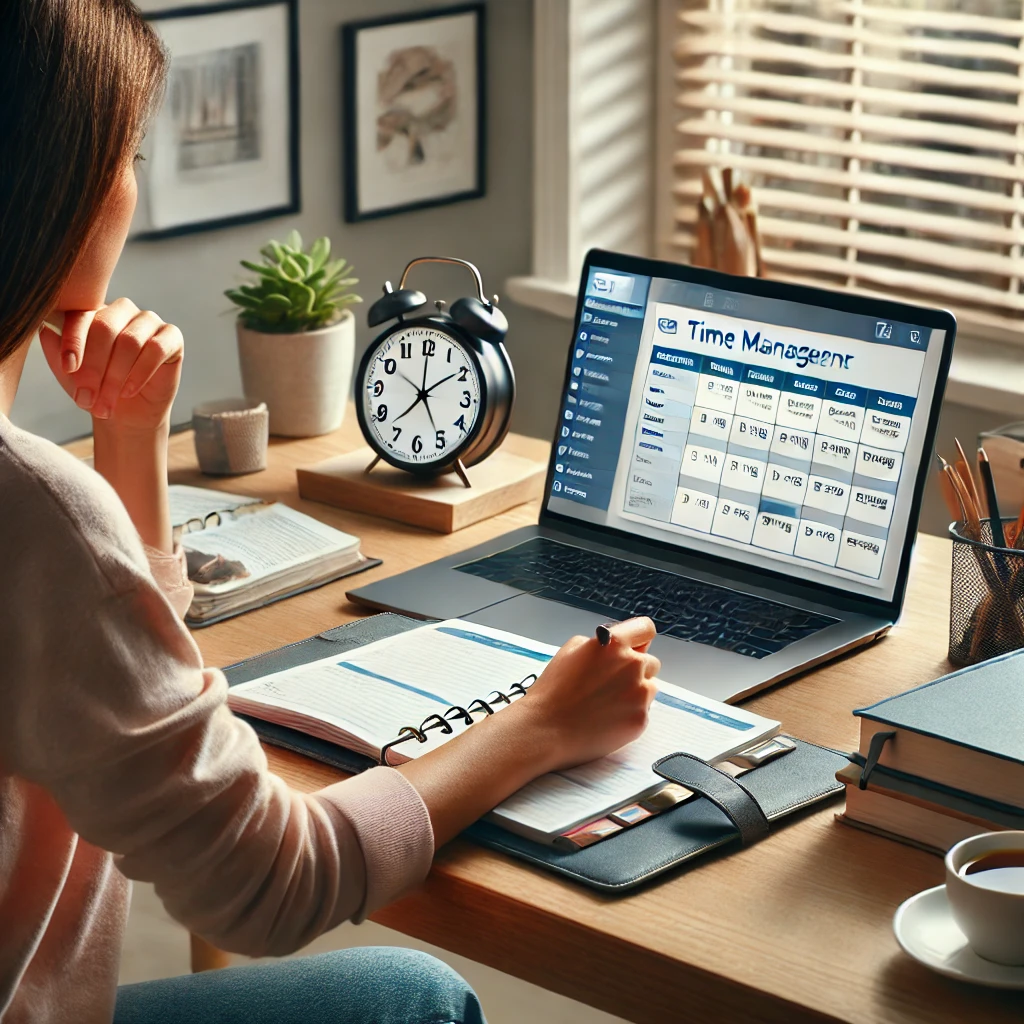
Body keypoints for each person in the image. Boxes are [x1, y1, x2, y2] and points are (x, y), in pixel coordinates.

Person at [0, 3, 662, 1023]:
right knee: (415, 999)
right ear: (55, 184)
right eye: (126, 152)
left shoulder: (46, 514)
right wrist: (537, 726)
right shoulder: (36, 508)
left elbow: (121, 686)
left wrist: (129, 441)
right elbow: (270, 882)